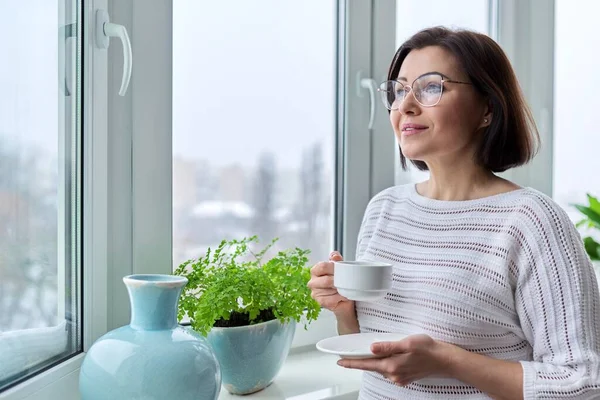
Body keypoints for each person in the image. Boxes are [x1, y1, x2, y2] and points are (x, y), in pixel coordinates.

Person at [307, 26, 600, 400]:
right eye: (398, 90)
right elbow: (378, 354)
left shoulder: (532, 220)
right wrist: (345, 310)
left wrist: (447, 361)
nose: (406, 105)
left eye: (431, 87)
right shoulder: (384, 209)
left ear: (487, 109)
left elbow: (583, 383)